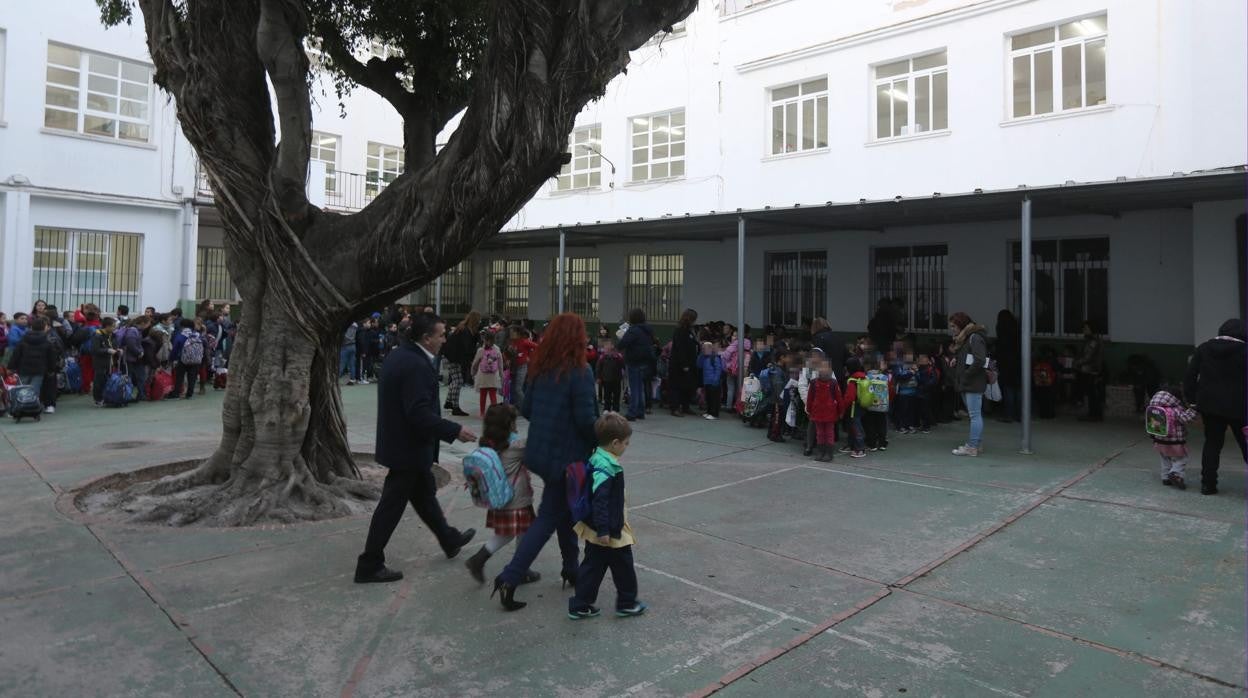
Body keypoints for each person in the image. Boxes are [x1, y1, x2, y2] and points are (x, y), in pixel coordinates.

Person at [355, 313, 477, 584]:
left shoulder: (401, 355)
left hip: (403, 446)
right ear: (426, 338)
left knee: (424, 497)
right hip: (407, 449)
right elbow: (418, 413)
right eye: (441, 335)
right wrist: (454, 430)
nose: (445, 339)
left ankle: (449, 539)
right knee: (391, 506)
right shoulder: (416, 365)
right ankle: (369, 563)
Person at [493, 313, 599, 611]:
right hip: (567, 458)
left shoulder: (541, 368)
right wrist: (604, 435)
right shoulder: (581, 372)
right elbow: (585, 420)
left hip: (542, 453)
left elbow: (526, 408)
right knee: (550, 516)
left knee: (565, 512)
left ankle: (571, 568)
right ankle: (510, 577)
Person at [567, 412, 647, 620]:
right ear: (614, 443)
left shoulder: (597, 457)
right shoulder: (606, 466)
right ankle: (627, 603)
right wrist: (604, 529)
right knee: (623, 567)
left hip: (600, 528)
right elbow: (600, 501)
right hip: (609, 530)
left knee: (593, 567)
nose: (626, 447)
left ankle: (580, 604)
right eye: (626, 443)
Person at [463, 404, 538, 584]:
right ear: (509, 424)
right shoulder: (515, 445)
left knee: (516, 533)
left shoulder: (488, 443)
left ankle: (516, 566)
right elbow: (536, 443)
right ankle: (514, 567)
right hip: (517, 500)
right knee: (520, 533)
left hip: (501, 498)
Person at [1183, 319, 1247, 495]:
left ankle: (1208, 485)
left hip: (1210, 407)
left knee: (1212, 444)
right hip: (1240, 408)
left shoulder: (1204, 348)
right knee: (1245, 444)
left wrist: (1193, 401)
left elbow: (1190, 376)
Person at [950, 312, 988, 457]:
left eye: (954, 326)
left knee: (974, 415)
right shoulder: (967, 338)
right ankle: (976, 443)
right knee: (975, 415)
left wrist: (965, 375)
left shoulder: (974, 337)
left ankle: (972, 446)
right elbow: (970, 358)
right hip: (969, 382)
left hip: (972, 382)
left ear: (961, 325)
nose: (952, 329)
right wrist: (957, 360)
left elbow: (979, 360)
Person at [1146, 387, 1198, 490]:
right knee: (1182, 458)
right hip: (1174, 441)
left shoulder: (1153, 409)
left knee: (1165, 458)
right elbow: (1186, 418)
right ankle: (1176, 474)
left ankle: (1165, 478)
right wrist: (1194, 410)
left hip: (1159, 440)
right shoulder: (1175, 410)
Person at [617, 308, 655, 422]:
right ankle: (640, 411)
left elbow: (623, 343)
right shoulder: (648, 330)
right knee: (640, 387)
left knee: (634, 388)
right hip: (645, 361)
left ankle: (632, 412)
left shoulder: (633, 330)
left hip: (633, 361)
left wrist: (620, 338)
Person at [7, 316, 57, 398]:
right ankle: (31, 406)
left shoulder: (23, 339)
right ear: (45, 328)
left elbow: (16, 355)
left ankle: (20, 404)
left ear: (31, 327)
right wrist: (51, 369)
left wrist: (10, 367)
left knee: (21, 387)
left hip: (23, 368)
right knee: (35, 388)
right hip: (39, 369)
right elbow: (51, 357)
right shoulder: (47, 341)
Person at [442, 311, 481, 416]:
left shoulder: (463, 329)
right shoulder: (466, 332)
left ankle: (449, 402)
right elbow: (467, 348)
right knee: (458, 381)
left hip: (450, 356)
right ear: (475, 321)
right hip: (453, 358)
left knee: (455, 380)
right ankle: (455, 407)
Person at [806, 356, 843, 462]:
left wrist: (841, 411)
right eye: (821, 367)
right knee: (820, 433)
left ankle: (829, 453)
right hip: (817, 412)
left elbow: (839, 398)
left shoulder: (833, 383)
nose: (823, 369)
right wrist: (809, 410)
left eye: (826, 367)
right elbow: (810, 398)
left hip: (830, 413)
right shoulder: (813, 383)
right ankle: (820, 451)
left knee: (829, 433)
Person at [669, 309, 700, 417]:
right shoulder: (680, 330)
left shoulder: (689, 330)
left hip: (689, 362)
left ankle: (685, 406)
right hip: (679, 364)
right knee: (676, 386)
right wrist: (684, 365)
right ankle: (675, 408)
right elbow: (680, 348)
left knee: (687, 386)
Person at [994, 310, 1022, 423]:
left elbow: (1000, 350)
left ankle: (1009, 414)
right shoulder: (1017, 329)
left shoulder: (1002, 331)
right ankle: (1020, 415)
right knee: (1019, 390)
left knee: (1008, 389)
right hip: (1019, 363)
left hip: (1006, 364)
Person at [116, 317, 151, 402]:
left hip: (134, 357)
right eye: (147, 324)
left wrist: (140, 351)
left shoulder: (136, 330)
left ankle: (140, 394)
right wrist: (139, 352)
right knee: (129, 377)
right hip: (129, 358)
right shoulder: (133, 330)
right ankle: (128, 395)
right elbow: (131, 343)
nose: (148, 326)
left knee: (139, 376)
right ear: (143, 323)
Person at [1076, 321, 1105, 422]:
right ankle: (1093, 414)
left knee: (1092, 393)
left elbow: (1088, 356)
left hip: (1091, 370)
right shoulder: (1092, 340)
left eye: (1086, 328)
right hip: (1091, 369)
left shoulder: (1093, 341)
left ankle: (1095, 415)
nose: (1084, 330)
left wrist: (1077, 362)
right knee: (1092, 393)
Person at [839, 357, 868, 459]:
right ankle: (852, 445)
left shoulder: (852, 380)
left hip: (853, 408)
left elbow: (849, 397)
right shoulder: (863, 376)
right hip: (862, 405)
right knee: (854, 427)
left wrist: (842, 407)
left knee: (856, 428)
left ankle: (860, 449)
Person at [471, 331, 504, 416]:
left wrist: (473, 373)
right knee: (493, 395)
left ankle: (482, 413)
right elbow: (500, 364)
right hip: (493, 376)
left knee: (483, 395)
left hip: (483, 376)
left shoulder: (480, 350)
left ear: (484, 340)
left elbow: (475, 363)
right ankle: (495, 414)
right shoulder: (497, 349)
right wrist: (501, 375)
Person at [170, 319, 204, 400]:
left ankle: (176, 393)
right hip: (196, 359)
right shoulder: (197, 335)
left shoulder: (180, 335)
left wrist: (172, 358)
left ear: (182, 326)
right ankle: (190, 394)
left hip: (182, 359)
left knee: (179, 377)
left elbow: (175, 348)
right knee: (192, 377)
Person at [505, 325, 537, 409]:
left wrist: (530, 357)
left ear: (518, 333)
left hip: (522, 367)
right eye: (510, 332)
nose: (511, 333)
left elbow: (537, 347)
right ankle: (518, 405)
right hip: (513, 367)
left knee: (518, 389)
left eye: (513, 332)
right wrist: (508, 359)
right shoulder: (511, 342)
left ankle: (525, 407)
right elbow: (507, 353)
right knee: (514, 389)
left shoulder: (524, 341)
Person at [90, 317, 120, 406]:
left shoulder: (112, 335)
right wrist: (107, 350)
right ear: (107, 326)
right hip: (100, 363)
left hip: (110, 363)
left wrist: (117, 350)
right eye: (113, 326)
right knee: (99, 382)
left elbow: (113, 346)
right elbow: (95, 350)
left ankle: (106, 397)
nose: (115, 328)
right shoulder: (97, 335)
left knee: (107, 381)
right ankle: (98, 400)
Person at [695, 341, 724, 420]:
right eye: (703, 348)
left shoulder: (715, 357)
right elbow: (698, 365)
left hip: (714, 383)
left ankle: (714, 414)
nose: (704, 350)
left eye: (706, 348)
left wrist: (715, 380)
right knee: (708, 398)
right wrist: (701, 354)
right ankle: (709, 412)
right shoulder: (704, 358)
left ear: (711, 348)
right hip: (707, 382)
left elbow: (718, 369)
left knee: (714, 399)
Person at [596, 339, 624, 413]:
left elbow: (622, 365)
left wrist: (619, 357)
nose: (606, 347)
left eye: (608, 345)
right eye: (605, 346)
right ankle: (606, 408)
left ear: (612, 346)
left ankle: (616, 409)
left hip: (617, 379)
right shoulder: (602, 357)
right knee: (607, 395)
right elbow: (598, 368)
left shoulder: (618, 356)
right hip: (606, 379)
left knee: (616, 395)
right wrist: (599, 377)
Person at [340, 321, 361, 386]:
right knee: (352, 364)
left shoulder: (346, 324)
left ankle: (336, 378)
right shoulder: (355, 325)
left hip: (345, 345)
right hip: (353, 345)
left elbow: (345, 336)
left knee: (342, 363)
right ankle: (352, 379)